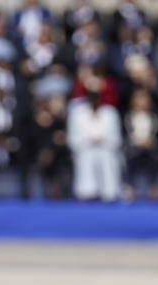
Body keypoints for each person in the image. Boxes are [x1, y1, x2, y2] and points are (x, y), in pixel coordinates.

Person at [67, 67, 122, 201]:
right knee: (86, 157)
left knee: (107, 158)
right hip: (85, 148)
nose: (94, 99)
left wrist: (103, 140)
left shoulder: (110, 112)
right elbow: (73, 135)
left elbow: (116, 137)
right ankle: (87, 192)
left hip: (106, 148)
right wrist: (87, 141)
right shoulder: (77, 113)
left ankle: (110, 193)